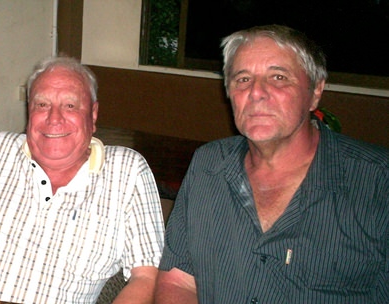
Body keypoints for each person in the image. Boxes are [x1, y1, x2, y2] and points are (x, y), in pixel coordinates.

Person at [155, 24, 389, 303]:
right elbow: (178, 281)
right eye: (242, 79)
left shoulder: (378, 181)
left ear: (316, 91)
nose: (256, 92)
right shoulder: (208, 165)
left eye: (278, 77)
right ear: (229, 93)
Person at [0, 57, 165, 303]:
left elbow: (147, 277)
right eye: (42, 104)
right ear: (29, 111)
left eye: (70, 105)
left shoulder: (127, 171)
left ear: (93, 114)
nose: (54, 118)